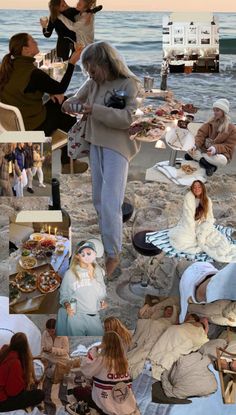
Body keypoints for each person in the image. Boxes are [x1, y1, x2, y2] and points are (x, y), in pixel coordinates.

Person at [62, 41, 143, 277]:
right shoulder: (93, 81)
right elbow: (76, 99)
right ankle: (109, 237)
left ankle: (113, 254)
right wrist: (69, 104)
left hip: (118, 147)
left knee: (110, 203)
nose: (90, 74)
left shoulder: (131, 84)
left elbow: (129, 118)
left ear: (106, 63)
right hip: (95, 142)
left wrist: (92, 110)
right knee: (98, 199)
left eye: (93, 68)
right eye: (87, 69)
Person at [0, 32, 87, 174]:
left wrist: (51, 92)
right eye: (33, 41)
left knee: (59, 102)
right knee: (66, 106)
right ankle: (68, 162)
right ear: (25, 50)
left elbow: (24, 90)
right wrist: (72, 62)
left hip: (14, 127)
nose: (36, 43)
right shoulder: (32, 73)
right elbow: (60, 88)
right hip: (32, 129)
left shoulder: (5, 69)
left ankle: (68, 161)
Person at [167, 180, 236, 262]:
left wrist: (205, 227)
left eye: (199, 187)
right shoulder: (188, 198)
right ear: (192, 189)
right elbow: (187, 217)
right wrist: (192, 232)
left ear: (202, 188)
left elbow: (210, 217)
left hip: (202, 224)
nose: (197, 189)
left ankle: (222, 249)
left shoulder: (207, 200)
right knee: (180, 239)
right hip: (189, 224)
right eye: (194, 187)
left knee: (215, 240)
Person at [75, 331, 139, 415]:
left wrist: (95, 348)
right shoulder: (125, 362)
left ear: (105, 344)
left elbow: (87, 370)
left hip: (107, 407)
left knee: (78, 390)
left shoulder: (102, 360)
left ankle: (95, 411)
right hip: (127, 407)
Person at [56, 240, 107, 336]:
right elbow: (64, 296)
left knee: (98, 340)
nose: (86, 257)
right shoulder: (69, 274)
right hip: (76, 315)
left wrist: (92, 277)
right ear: (77, 256)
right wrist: (67, 305)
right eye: (82, 254)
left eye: (89, 253)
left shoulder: (98, 272)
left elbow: (102, 294)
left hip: (93, 315)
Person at [185, 99, 236, 176]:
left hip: (219, 154)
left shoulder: (231, 128)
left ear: (223, 112)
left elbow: (229, 146)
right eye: (214, 110)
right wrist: (195, 145)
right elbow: (200, 135)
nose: (215, 112)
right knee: (189, 149)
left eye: (217, 110)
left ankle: (199, 159)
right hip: (205, 150)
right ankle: (208, 165)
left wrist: (215, 149)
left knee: (222, 160)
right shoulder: (209, 123)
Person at [0, 332, 44, 412]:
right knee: (39, 394)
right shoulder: (15, 362)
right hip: (2, 400)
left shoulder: (4, 350)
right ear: (24, 347)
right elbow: (12, 392)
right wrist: (24, 383)